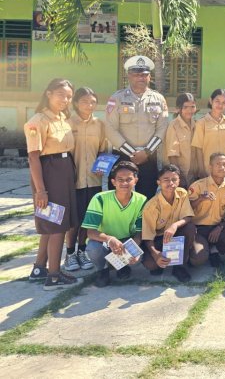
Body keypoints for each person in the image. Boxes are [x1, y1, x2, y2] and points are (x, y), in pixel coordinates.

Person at [25, 78, 80, 290]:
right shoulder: (37, 121)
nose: (65, 100)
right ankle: (54, 275)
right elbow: (33, 158)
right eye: (61, 95)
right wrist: (40, 190)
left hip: (64, 170)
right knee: (57, 224)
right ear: (48, 94)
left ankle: (39, 268)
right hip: (49, 172)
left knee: (52, 223)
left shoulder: (62, 119)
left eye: (68, 97)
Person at [104, 55, 169, 200]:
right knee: (120, 198)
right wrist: (132, 153)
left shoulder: (158, 99)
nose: (140, 77)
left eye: (144, 74)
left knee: (146, 198)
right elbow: (110, 128)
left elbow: (162, 128)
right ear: (129, 76)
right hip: (123, 157)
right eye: (136, 74)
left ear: (149, 77)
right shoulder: (117, 98)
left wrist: (146, 152)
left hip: (148, 158)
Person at [81, 161, 147, 287]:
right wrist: (110, 239)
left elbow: (140, 231)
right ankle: (102, 271)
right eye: (120, 179)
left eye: (129, 179)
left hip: (127, 240)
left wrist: (134, 250)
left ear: (135, 180)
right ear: (113, 182)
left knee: (139, 260)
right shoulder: (100, 198)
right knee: (93, 248)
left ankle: (121, 266)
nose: (124, 183)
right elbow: (91, 232)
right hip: (104, 240)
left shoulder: (142, 200)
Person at [64, 86, 106, 273]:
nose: (89, 105)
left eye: (92, 102)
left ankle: (82, 251)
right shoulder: (68, 123)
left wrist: (102, 166)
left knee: (88, 221)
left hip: (93, 181)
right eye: (84, 101)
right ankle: (70, 254)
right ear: (75, 103)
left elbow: (103, 150)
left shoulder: (100, 124)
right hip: (73, 180)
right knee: (74, 220)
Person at [188, 152, 225, 268]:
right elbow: (186, 210)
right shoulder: (197, 186)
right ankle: (201, 250)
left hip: (217, 227)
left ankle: (214, 250)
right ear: (210, 166)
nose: (222, 167)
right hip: (198, 228)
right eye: (218, 164)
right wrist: (201, 199)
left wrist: (220, 227)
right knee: (198, 258)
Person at [141, 164, 195, 283]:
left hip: (174, 235)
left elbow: (188, 216)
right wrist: (155, 254)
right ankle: (160, 262)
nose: (170, 183)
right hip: (158, 240)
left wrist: (174, 225)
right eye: (166, 180)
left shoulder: (182, 193)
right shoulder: (151, 206)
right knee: (151, 266)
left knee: (190, 228)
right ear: (158, 182)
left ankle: (179, 267)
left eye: (174, 179)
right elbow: (147, 235)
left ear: (179, 181)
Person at [192, 89, 225, 180]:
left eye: (224, 102)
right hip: (208, 170)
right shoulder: (201, 123)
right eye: (217, 101)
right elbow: (198, 148)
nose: (220, 105)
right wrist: (202, 169)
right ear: (211, 101)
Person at [163, 92, 197, 188]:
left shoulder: (197, 125)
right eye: (185, 107)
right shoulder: (173, 126)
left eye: (192, 107)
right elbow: (172, 155)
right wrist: (179, 177)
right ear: (178, 109)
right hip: (180, 177)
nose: (189, 110)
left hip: (193, 176)